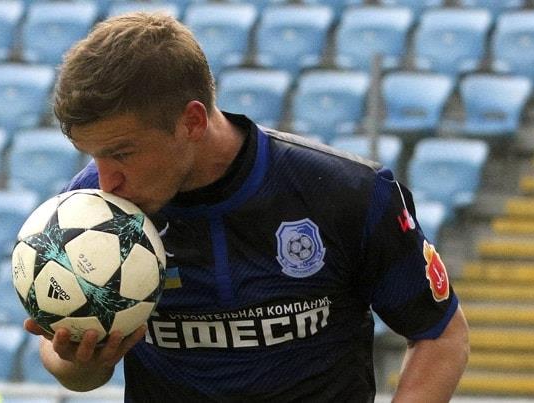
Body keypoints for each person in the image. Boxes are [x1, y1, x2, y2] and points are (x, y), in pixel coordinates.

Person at [24, 12, 469, 402]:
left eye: (122, 153)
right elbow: (74, 370)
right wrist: (80, 362)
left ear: (192, 121)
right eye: (94, 156)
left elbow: (441, 335)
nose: (106, 181)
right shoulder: (91, 215)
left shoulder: (346, 193)